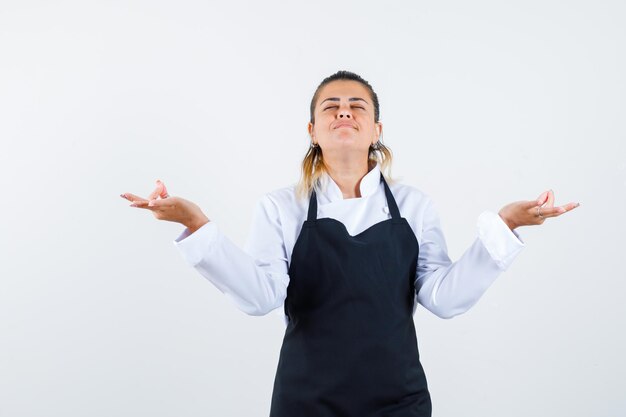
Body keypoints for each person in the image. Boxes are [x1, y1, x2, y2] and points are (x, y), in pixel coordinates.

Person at [121, 70, 579, 416]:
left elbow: (444, 298)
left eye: (358, 106)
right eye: (331, 106)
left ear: (377, 129)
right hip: (305, 402)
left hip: (399, 402)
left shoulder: (413, 206)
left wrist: (505, 225)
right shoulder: (282, 207)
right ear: (313, 131)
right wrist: (195, 222)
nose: (345, 112)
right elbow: (260, 297)